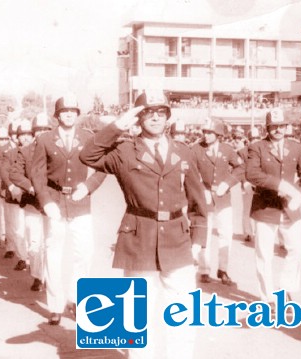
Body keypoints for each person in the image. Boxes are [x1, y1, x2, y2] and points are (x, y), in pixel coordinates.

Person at [79, 90, 208, 359]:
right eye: (148, 113)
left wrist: (198, 241)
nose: (155, 119)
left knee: (182, 312)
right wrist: (116, 126)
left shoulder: (184, 152)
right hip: (140, 237)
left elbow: (198, 203)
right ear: (138, 118)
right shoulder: (124, 151)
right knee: (140, 314)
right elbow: (88, 156)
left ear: (168, 118)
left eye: (161, 113)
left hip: (178, 238)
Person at [31, 94, 106, 326]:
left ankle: (75, 298)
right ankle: (55, 305)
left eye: (73, 110)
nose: (69, 114)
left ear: (78, 113)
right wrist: (45, 201)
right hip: (54, 202)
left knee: (84, 252)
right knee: (53, 254)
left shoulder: (88, 137)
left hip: (80, 201)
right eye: (64, 111)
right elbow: (37, 173)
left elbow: (102, 167)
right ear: (57, 115)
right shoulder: (44, 139)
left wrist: (89, 186)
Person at [245, 108, 301, 302]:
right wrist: (280, 185)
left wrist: (300, 194)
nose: (278, 130)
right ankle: (267, 298)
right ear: (267, 127)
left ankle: (285, 288)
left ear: (287, 127)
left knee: (298, 249)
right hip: (265, 207)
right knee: (264, 255)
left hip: (289, 208)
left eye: (281, 126)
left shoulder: (296, 147)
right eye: (274, 126)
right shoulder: (257, 147)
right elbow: (252, 173)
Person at [190, 118, 245, 285]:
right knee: (204, 234)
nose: (206, 135)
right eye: (205, 132)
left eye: (210, 133)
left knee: (225, 234)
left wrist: (227, 183)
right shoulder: (196, 149)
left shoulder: (227, 149)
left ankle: (223, 269)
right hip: (204, 197)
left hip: (223, 197)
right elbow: (191, 173)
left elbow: (240, 168)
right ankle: (204, 269)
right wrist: (200, 190)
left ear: (218, 134)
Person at [9, 114, 52, 291]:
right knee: (35, 242)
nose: (41, 133)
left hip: (53, 204)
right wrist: (30, 186)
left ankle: (51, 277)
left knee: (52, 242)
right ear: (34, 132)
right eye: (38, 130)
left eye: (45, 129)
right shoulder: (25, 151)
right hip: (32, 203)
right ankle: (37, 276)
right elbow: (15, 173)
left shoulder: (56, 148)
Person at [0, 121, 28, 270]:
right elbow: (4, 171)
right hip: (16, 198)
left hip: (35, 199)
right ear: (17, 138)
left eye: (29, 134)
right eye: (22, 135)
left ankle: (36, 264)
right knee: (19, 229)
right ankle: (23, 258)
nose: (26, 137)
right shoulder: (11, 153)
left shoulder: (39, 151)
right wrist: (11, 187)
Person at [237, 127, 262, 242]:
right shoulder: (242, 152)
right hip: (247, 184)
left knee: (261, 209)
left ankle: (259, 232)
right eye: (252, 138)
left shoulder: (264, 150)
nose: (255, 140)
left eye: (257, 138)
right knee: (247, 209)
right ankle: (247, 232)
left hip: (261, 184)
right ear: (248, 140)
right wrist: (244, 182)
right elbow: (239, 170)